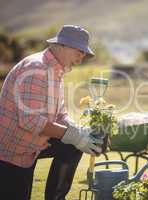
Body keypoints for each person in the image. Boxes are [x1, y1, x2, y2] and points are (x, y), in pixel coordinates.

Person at [0, 25, 104, 200]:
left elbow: (59, 115)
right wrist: (74, 136)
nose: (81, 58)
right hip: (11, 155)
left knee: (73, 146)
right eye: (79, 51)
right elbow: (30, 121)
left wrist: (79, 133)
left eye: (84, 54)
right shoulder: (36, 69)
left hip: (31, 148)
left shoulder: (56, 72)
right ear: (62, 45)